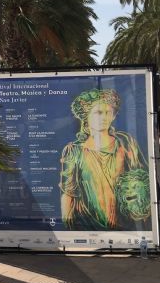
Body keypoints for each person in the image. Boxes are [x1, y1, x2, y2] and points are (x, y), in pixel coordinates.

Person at [59, 88, 149, 230]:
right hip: (87, 222)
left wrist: (143, 214)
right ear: (86, 117)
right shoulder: (73, 150)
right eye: (98, 113)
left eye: (109, 112)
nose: (104, 117)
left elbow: (141, 179)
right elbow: (68, 192)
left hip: (123, 222)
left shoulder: (124, 142)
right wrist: (67, 221)